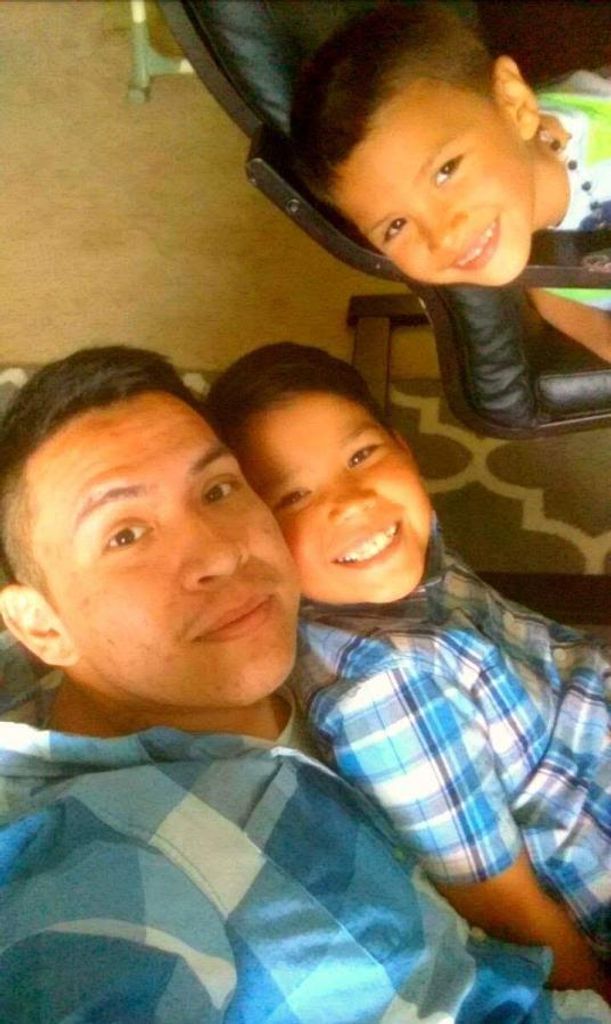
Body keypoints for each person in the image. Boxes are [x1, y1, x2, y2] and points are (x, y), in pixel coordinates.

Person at [4, 348, 609, 1022]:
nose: (222, 552)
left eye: (218, 489)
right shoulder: (88, 869)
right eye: (125, 535)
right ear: (40, 624)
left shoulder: (340, 586)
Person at [205, 340, 611, 1000]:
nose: (350, 502)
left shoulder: (392, 555)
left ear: (403, 447)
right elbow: (506, 907)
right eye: (293, 495)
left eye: (361, 456)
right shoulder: (387, 691)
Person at [290, 2, 611, 362]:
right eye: (395, 226)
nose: (441, 236)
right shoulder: (514, 218)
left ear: (515, 105)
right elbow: (551, 287)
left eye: (445, 171)